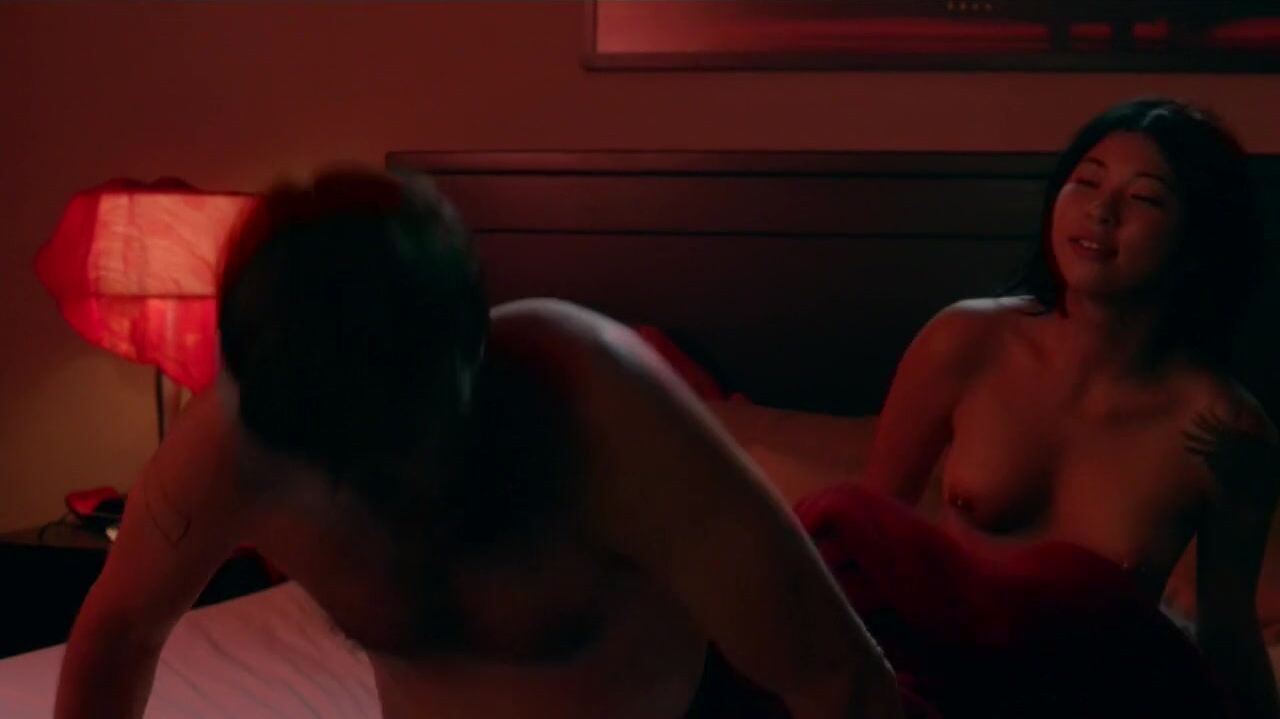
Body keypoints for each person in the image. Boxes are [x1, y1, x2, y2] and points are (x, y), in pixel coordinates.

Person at [54, 169, 905, 719]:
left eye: (391, 437)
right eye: (327, 457)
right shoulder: (237, 440)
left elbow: (842, 681)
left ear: (473, 352)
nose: (365, 490)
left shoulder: (605, 411)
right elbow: (118, 631)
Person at [860, 97, 1280, 716]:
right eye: (1085, 182)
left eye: (1145, 198)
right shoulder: (965, 342)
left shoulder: (1224, 428)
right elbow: (867, 539)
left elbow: (1228, 631)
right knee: (830, 517)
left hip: (1091, 697)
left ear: (1196, 243)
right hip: (944, 680)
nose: (1100, 212)